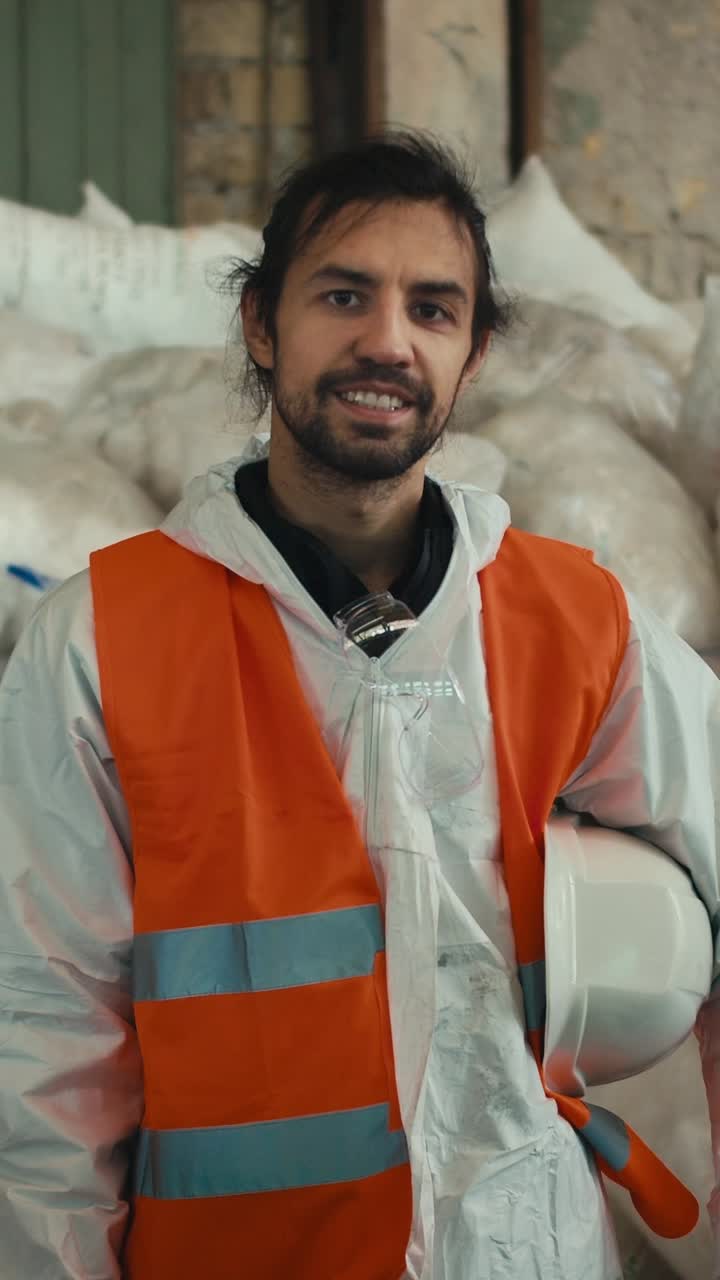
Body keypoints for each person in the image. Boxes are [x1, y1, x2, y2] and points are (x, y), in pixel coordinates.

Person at [0, 131, 718, 1280]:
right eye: (346, 294)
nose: (388, 339)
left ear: (473, 353)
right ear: (260, 323)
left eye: (434, 309)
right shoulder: (99, 640)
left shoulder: (576, 619)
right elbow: (44, 1037)